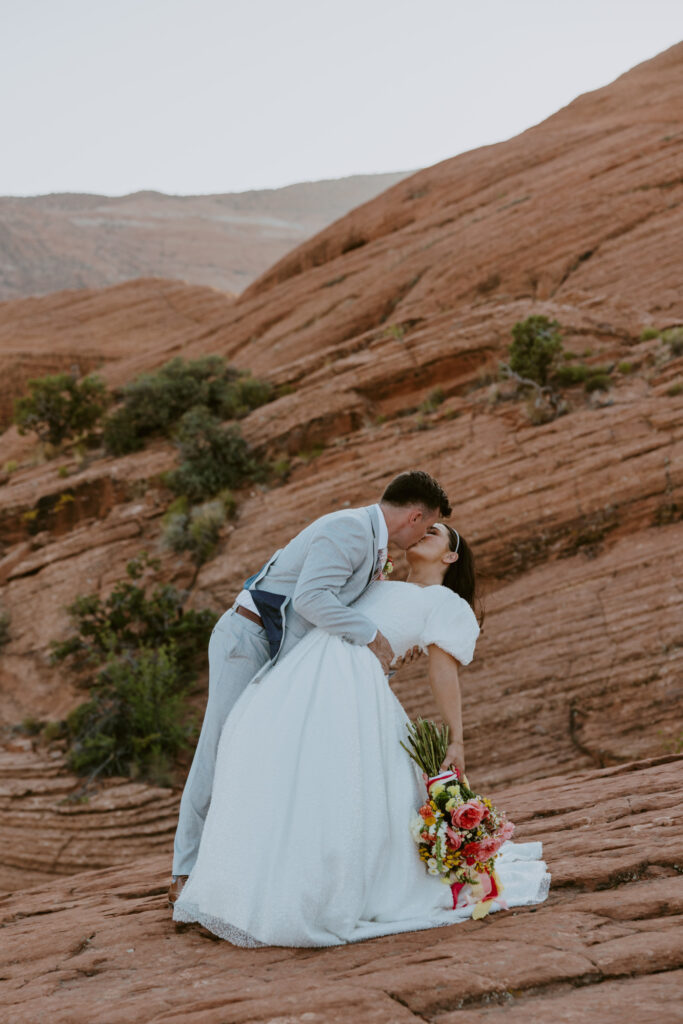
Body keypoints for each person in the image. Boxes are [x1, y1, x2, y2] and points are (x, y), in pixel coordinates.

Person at [173, 521, 550, 946]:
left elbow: (443, 673)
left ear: (451, 556)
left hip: (348, 688)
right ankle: (247, 876)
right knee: (273, 765)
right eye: (423, 526)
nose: (425, 531)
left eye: (437, 532)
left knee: (338, 784)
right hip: (305, 671)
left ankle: (324, 888)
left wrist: (456, 739)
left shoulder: (445, 602)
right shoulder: (376, 582)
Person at [169, 470, 452, 905]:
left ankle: (242, 866)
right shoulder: (349, 530)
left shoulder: (371, 545)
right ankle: (186, 870)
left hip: (286, 651)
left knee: (263, 755)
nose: (420, 537)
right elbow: (311, 600)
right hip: (249, 640)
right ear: (415, 516)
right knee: (221, 744)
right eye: (426, 526)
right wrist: (374, 637)